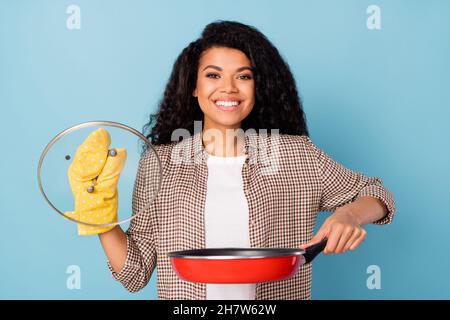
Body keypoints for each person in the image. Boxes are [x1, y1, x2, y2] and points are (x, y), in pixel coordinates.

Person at [74, 21, 396, 300]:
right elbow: (135, 274)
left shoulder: (296, 155)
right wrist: (100, 217)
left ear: (257, 88)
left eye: (243, 77)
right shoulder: (159, 163)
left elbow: (378, 193)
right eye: (213, 75)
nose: (228, 87)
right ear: (194, 88)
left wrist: (350, 216)